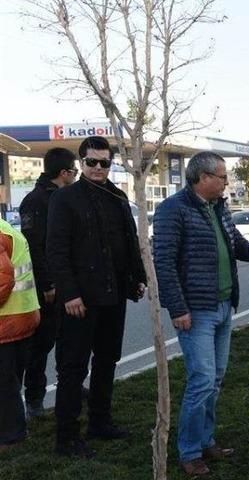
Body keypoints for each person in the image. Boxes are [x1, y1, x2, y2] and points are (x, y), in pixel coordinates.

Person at [154, 151, 249, 476]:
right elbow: (164, 263)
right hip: (195, 311)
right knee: (202, 380)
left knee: (215, 380)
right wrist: (178, 308)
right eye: (222, 176)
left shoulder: (219, 207)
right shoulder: (174, 210)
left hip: (224, 306)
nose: (227, 182)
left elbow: (236, 244)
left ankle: (206, 440)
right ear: (202, 178)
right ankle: (189, 451)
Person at [47, 136, 147, 458]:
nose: (98, 168)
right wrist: (70, 293)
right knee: (73, 369)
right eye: (92, 162)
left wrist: (137, 278)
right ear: (81, 163)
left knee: (107, 361)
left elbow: (129, 241)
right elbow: (57, 251)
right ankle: (67, 437)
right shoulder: (65, 199)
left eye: (105, 163)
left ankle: (100, 422)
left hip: (113, 296)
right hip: (80, 301)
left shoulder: (117, 196)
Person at [19, 148, 78, 418]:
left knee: (67, 340)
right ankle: (34, 399)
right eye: (74, 171)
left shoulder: (64, 197)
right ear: (64, 173)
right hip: (48, 289)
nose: (76, 176)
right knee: (41, 345)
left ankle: (70, 387)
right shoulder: (36, 201)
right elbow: (35, 248)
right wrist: (48, 284)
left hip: (68, 284)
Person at [0, 217, 41, 454]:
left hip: (8, 319)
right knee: (10, 380)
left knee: (4, 383)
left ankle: (11, 437)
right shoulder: (5, 228)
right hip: (21, 313)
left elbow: (3, 282)